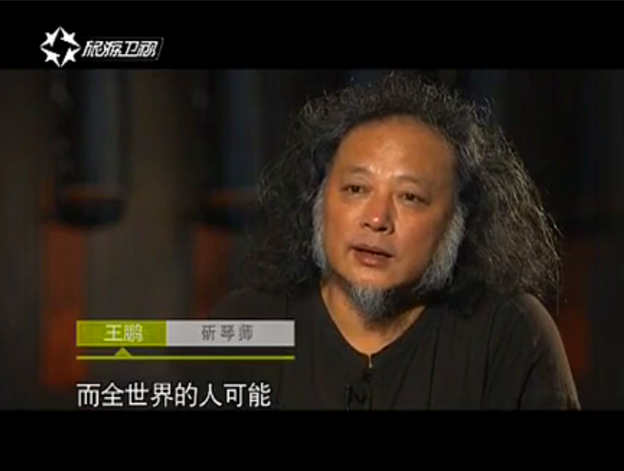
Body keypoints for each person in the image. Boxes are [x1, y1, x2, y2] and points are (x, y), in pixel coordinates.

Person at [201, 71, 580, 410]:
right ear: (317, 198)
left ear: (460, 219)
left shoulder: (510, 333)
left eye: (409, 197)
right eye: (356, 188)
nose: (377, 219)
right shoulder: (241, 325)